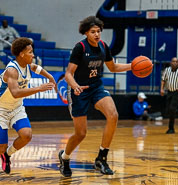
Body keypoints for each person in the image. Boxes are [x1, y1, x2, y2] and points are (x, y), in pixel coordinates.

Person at [58, 16, 131, 177]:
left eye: (98, 31)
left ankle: (101, 158)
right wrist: (75, 86)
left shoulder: (104, 46)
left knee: (113, 115)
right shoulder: (80, 48)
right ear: (86, 33)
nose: (97, 34)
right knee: (81, 134)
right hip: (79, 90)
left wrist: (132, 66)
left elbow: (113, 67)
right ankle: (65, 157)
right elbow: (68, 73)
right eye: (93, 32)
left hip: (96, 87)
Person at [0, 37, 56, 179]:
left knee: (27, 135)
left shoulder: (28, 65)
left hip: (17, 108)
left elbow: (37, 68)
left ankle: (7, 154)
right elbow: (15, 93)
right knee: (0, 146)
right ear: (21, 54)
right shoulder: (12, 70)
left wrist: (50, 77)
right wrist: (39, 88)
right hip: (0, 110)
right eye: (30, 52)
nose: (33, 55)